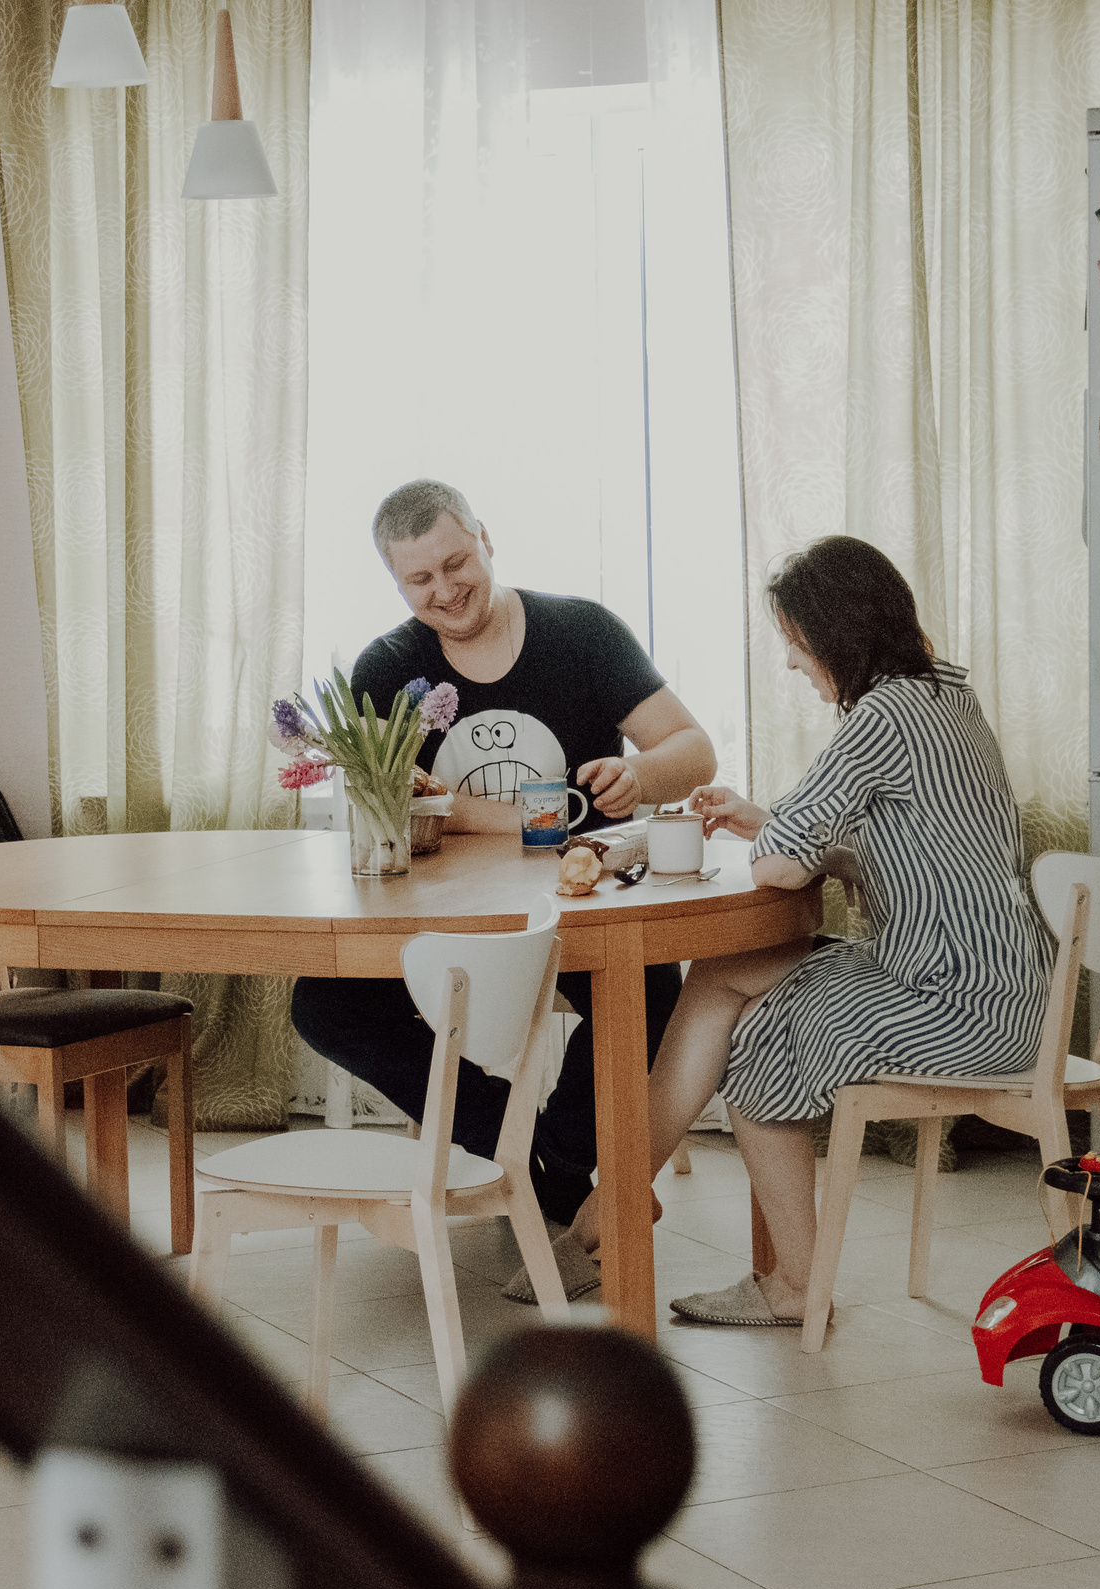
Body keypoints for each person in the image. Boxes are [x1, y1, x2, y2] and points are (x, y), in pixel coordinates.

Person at [573, 534, 1050, 1327]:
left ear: (836, 635)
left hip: (963, 1004)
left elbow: (780, 870)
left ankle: (786, 1282)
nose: (793, 663)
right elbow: (904, 835)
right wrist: (762, 819)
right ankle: (615, 1201)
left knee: (756, 1043)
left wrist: (771, 833)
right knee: (721, 973)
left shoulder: (882, 717)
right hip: (999, 981)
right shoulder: (943, 694)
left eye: (796, 642)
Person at [289, 478, 718, 1300]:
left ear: (486, 538)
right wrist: (519, 814)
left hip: (579, 907)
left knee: (651, 990)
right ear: (396, 583)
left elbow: (692, 749)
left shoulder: (581, 631)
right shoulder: (389, 665)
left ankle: (538, 1154)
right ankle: (542, 1166)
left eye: (458, 563)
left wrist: (639, 770)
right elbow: (390, 806)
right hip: (443, 921)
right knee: (324, 1002)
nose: (446, 591)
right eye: (421, 581)